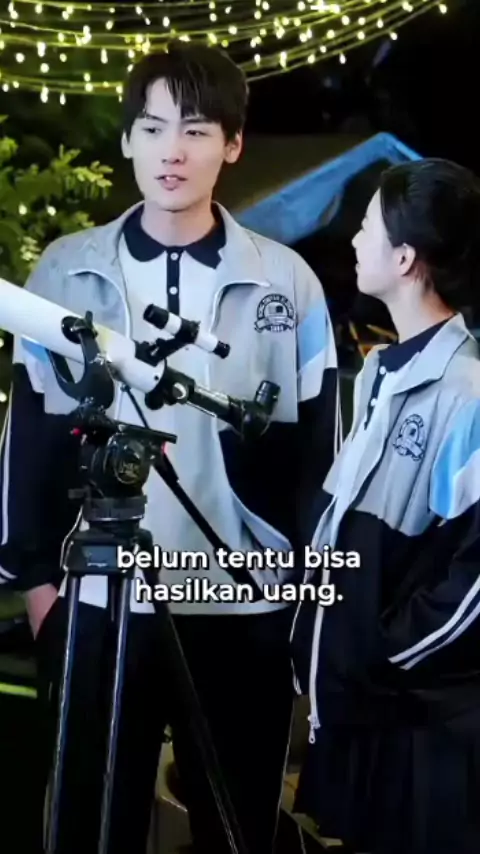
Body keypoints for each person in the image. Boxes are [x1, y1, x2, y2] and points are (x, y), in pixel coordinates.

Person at [0, 43, 340, 854]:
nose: (172, 151)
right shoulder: (67, 270)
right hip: (98, 601)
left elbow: (318, 456)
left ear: (233, 143)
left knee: (238, 826)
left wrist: (304, 598)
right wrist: (39, 587)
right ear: (127, 140)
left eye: (195, 130)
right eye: (152, 129)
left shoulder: (287, 282)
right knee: (88, 823)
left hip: (242, 604)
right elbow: (30, 442)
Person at [291, 158, 480, 854]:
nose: (352, 240)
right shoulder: (378, 374)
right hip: (362, 720)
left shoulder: (467, 391)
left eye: (366, 226)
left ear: (405, 258)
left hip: (424, 737)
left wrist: (382, 650)